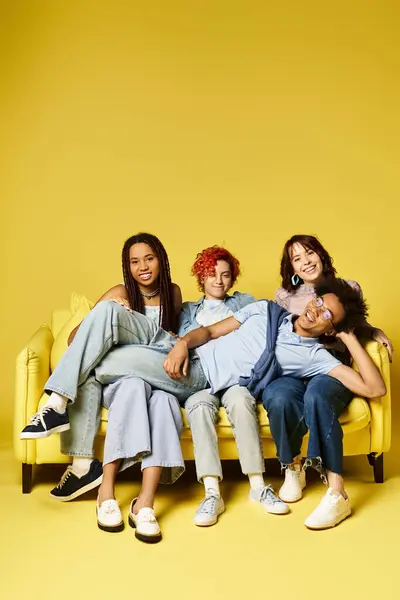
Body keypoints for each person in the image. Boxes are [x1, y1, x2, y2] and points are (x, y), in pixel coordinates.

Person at [21, 233, 183, 541]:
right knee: (117, 379)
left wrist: (134, 321)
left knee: (146, 391)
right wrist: (110, 309)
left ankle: (63, 419)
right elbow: (74, 341)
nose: (143, 267)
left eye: (149, 258)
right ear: (127, 267)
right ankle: (101, 487)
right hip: (118, 377)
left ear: (161, 260)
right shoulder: (120, 291)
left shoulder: (172, 293)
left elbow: (164, 341)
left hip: (147, 369)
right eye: (134, 262)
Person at [262, 234, 392, 529]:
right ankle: (293, 467)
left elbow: (354, 322)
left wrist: (372, 331)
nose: (306, 261)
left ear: (321, 255)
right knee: (278, 395)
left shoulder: (348, 288)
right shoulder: (283, 296)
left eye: (309, 253)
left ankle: (337, 491)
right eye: (297, 259)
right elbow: (278, 335)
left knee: (318, 395)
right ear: (291, 269)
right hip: (294, 369)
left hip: (330, 369)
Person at [179, 246, 289, 527]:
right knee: (199, 406)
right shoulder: (186, 312)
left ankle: (258, 485)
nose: (219, 281)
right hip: (202, 379)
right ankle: (212, 493)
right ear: (200, 278)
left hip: (237, 379)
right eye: (212, 274)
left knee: (241, 400)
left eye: (226, 275)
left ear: (233, 278)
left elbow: (276, 327)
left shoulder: (244, 303)